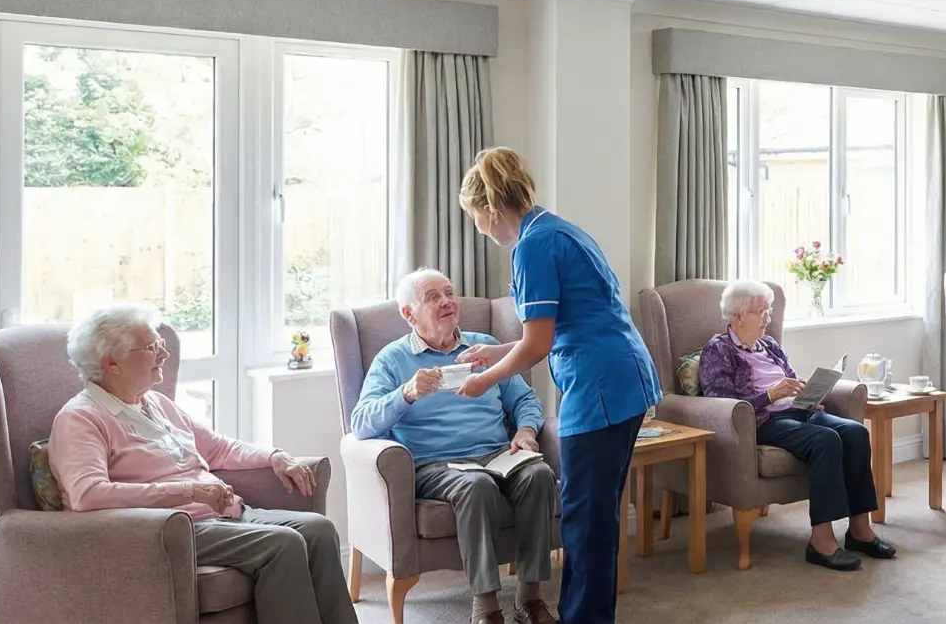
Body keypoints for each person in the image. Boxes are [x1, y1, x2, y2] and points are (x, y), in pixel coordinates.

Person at [453, 147, 661, 624]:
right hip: (625, 375)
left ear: (487, 209)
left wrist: (485, 376)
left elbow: (538, 344)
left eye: (475, 218)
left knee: (584, 520)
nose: (479, 229)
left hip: (599, 386)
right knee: (598, 516)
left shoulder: (531, 246)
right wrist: (495, 351)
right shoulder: (555, 228)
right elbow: (549, 328)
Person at [48, 304, 353, 624]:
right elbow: (88, 494)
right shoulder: (81, 418)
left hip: (221, 515)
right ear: (111, 363)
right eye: (152, 347)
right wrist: (189, 492)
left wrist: (275, 456)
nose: (163, 354)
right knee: (283, 545)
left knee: (318, 529)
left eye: (160, 344)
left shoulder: (154, 402)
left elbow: (218, 448)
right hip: (168, 530)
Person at [350, 268, 555, 624]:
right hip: (437, 464)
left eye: (449, 293)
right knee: (476, 486)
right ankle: (486, 607)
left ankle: (529, 599)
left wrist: (525, 431)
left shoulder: (482, 347)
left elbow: (524, 399)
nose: (447, 301)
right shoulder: (392, 359)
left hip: (496, 453)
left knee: (539, 474)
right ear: (408, 314)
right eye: (433, 297)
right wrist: (406, 393)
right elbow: (361, 423)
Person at [697, 279, 895, 571]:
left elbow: (791, 378)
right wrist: (770, 395)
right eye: (761, 312)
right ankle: (821, 541)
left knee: (855, 432)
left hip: (798, 411)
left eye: (769, 311)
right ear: (738, 316)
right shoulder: (718, 350)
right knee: (825, 440)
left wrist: (808, 394)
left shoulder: (770, 345)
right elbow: (722, 405)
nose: (768, 318)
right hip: (763, 421)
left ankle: (859, 530)